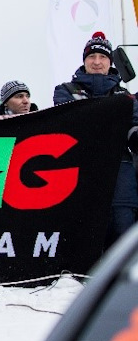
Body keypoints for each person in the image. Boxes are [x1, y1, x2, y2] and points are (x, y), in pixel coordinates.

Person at [54, 31, 138, 248]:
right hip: (81, 167)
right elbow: (68, 121)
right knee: (86, 228)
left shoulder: (125, 95)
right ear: (84, 61)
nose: (97, 62)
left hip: (121, 167)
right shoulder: (65, 90)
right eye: (92, 57)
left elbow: (134, 126)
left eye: (102, 57)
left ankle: (123, 280)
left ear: (111, 62)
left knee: (123, 225)